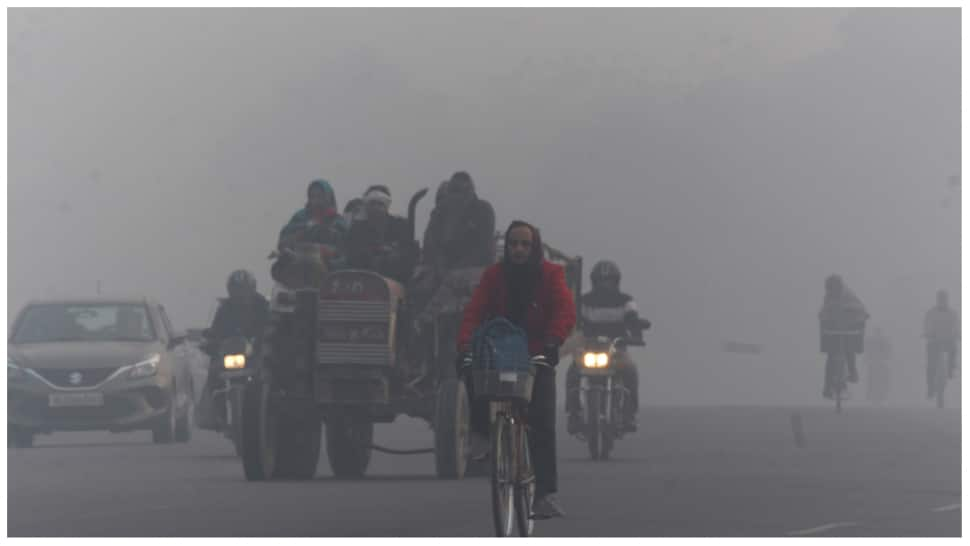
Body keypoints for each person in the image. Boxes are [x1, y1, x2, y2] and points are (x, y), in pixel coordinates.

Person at [456, 220, 576, 519]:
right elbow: (474, 312)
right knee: (471, 373)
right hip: (500, 353)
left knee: (542, 423)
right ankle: (482, 437)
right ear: (506, 248)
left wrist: (553, 340)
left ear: (534, 247)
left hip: (538, 355)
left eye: (525, 244)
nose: (519, 250)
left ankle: (544, 495)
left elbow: (565, 310)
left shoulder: (551, 274)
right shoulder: (493, 276)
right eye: (513, 244)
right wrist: (465, 346)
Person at [565, 260, 648, 433]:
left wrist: (637, 329)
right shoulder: (584, 301)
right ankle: (573, 414)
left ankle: (630, 414)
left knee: (631, 370)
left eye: (609, 280)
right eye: (601, 280)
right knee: (573, 372)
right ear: (594, 281)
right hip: (589, 349)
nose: (605, 284)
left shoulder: (626, 301)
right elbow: (572, 321)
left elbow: (632, 319)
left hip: (616, 350)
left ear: (616, 281)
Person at [199, 270, 270, 425]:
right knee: (214, 372)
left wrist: (266, 340)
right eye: (236, 290)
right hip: (232, 354)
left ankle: (270, 411)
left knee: (270, 376)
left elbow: (271, 327)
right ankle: (214, 414)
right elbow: (215, 330)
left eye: (244, 289)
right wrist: (210, 341)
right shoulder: (224, 308)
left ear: (252, 289)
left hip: (255, 354)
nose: (240, 294)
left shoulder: (263, 305)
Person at [422, 171, 496, 271]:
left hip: (474, 268)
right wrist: (440, 265)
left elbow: (484, 249)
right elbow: (430, 244)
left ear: (470, 192)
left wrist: (457, 269)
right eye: (453, 191)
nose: (456, 197)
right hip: (442, 269)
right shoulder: (440, 211)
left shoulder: (483, 210)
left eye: (460, 191)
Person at [346, 185, 417, 283]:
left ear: (387, 205)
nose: (376, 207)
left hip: (396, 283)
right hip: (362, 282)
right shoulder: (356, 229)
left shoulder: (401, 226)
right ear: (366, 205)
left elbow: (407, 259)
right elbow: (352, 259)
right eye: (372, 203)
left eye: (380, 203)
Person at [277, 179, 348, 268]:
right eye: (313, 196)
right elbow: (283, 241)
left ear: (329, 197)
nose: (316, 200)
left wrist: (326, 252)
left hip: (329, 270)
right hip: (299, 267)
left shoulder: (338, 221)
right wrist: (306, 229)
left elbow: (345, 250)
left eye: (320, 196)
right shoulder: (300, 217)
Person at [818, 274, 869, 399]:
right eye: (830, 289)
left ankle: (852, 372)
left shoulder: (849, 295)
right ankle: (827, 386)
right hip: (834, 331)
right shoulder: (828, 297)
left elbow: (861, 308)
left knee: (849, 350)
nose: (832, 291)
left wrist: (861, 315)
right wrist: (823, 317)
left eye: (834, 288)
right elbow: (824, 311)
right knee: (831, 357)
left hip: (849, 329)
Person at [924, 289, 960, 397]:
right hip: (934, 342)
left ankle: (951, 368)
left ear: (947, 300)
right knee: (930, 365)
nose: (942, 301)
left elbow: (957, 326)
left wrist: (958, 334)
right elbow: (926, 325)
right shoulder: (931, 313)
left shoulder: (952, 314)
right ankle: (930, 387)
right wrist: (926, 333)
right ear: (937, 300)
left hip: (948, 341)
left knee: (953, 350)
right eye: (940, 299)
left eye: (944, 299)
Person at [864, 327, 893, 404]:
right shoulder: (883, 340)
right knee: (876, 378)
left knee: (873, 378)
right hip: (878, 362)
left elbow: (867, 351)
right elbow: (888, 351)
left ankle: (873, 395)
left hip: (876, 362)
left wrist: (867, 358)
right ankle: (878, 395)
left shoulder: (872, 340)